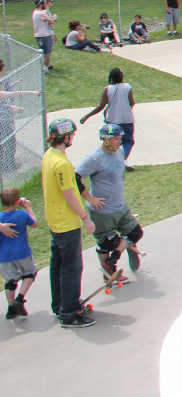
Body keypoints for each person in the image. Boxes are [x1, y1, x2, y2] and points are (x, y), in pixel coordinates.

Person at [43, 118, 97, 327]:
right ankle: (70, 313)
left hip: (54, 221)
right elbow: (69, 195)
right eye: (72, 134)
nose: (73, 137)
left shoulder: (49, 156)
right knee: (71, 268)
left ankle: (60, 306)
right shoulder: (62, 163)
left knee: (57, 265)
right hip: (67, 223)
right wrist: (86, 219)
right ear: (65, 137)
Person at [75, 124, 145, 282]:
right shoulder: (94, 158)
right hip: (102, 211)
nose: (119, 142)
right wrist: (89, 198)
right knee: (107, 243)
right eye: (116, 139)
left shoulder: (120, 151)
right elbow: (75, 178)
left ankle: (111, 263)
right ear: (105, 140)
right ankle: (109, 275)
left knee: (135, 233)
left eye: (120, 138)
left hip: (120, 206)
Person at [79, 67, 137, 167]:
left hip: (112, 120)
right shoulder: (127, 87)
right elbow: (132, 102)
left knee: (111, 141)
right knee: (128, 141)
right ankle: (124, 159)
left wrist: (86, 116)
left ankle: (110, 161)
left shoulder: (107, 89)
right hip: (127, 119)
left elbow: (101, 106)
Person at [0, 188, 37, 320]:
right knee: (30, 272)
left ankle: (11, 309)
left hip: (4, 256)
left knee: (10, 280)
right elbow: (34, 224)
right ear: (17, 201)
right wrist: (28, 208)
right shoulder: (22, 214)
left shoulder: (0, 218)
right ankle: (20, 298)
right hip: (22, 252)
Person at [32, 0, 55, 74]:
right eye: (44, 3)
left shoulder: (36, 12)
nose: (45, 5)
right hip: (42, 36)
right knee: (45, 53)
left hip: (44, 35)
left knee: (47, 53)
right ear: (41, 4)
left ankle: (46, 67)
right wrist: (54, 18)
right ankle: (44, 69)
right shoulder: (40, 13)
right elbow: (51, 21)